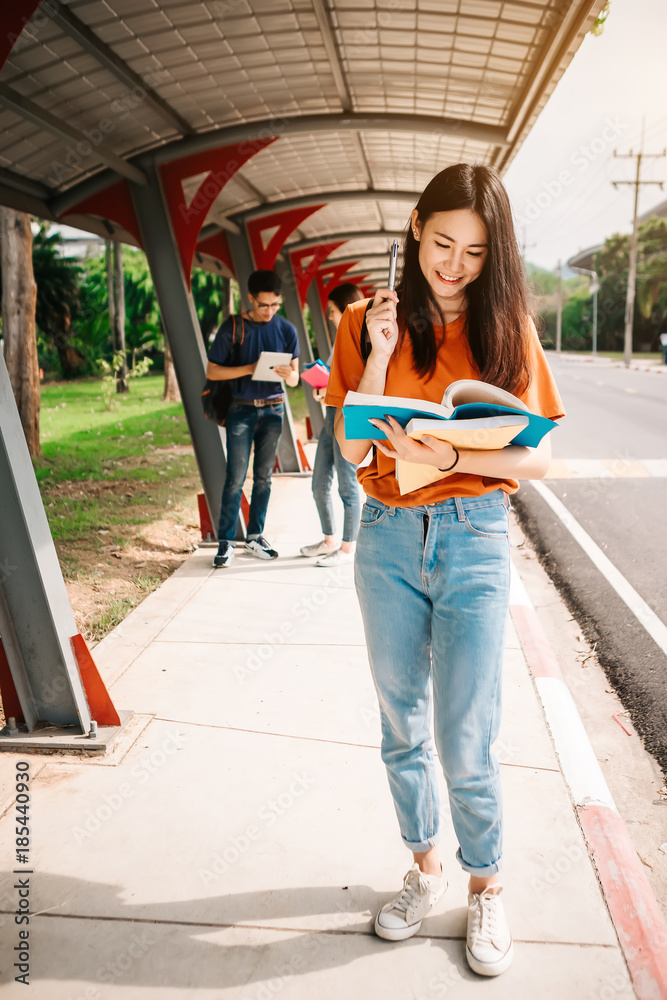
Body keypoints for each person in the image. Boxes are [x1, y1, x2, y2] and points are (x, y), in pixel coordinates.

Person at [326, 163, 565, 977]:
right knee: (401, 726)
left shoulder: (509, 331)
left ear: (493, 254)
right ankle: (423, 870)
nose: (453, 264)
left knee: (466, 735)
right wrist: (379, 356)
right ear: (415, 230)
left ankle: (486, 885)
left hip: (473, 535)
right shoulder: (366, 320)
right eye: (440, 243)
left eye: (472, 250)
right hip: (387, 532)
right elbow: (352, 448)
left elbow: (534, 461)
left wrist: (450, 448)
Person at [206, 269, 299, 568]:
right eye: (263, 305)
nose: (269, 311)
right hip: (242, 410)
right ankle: (226, 543)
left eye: (275, 305)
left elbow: (296, 378)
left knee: (264, 478)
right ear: (250, 299)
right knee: (235, 478)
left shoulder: (287, 330)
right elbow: (212, 372)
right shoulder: (232, 327)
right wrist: (249, 368)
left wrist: (290, 374)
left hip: (274, 410)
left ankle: (255, 536)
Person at [300, 282, 364, 567]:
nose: (328, 316)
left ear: (346, 309)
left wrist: (327, 390)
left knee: (347, 485)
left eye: (332, 310)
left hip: (345, 418)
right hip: (330, 417)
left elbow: (359, 383)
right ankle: (329, 540)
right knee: (318, 483)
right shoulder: (341, 338)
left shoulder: (360, 340)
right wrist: (322, 387)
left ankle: (347, 548)